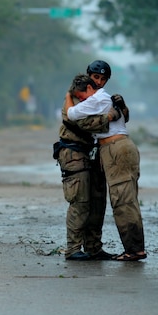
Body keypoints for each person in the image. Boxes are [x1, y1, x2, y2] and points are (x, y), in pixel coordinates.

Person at [65, 73, 146, 261]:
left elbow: (71, 114)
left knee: (123, 202)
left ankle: (134, 250)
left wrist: (69, 96)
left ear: (89, 89)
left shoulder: (97, 98)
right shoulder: (107, 99)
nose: (81, 100)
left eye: (81, 96)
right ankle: (133, 248)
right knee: (124, 199)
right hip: (116, 149)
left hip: (116, 149)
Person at [54, 67, 121, 261]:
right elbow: (81, 122)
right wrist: (109, 117)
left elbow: (122, 116)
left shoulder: (99, 98)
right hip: (74, 153)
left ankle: (93, 247)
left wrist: (120, 108)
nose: (99, 82)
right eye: (95, 77)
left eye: (103, 79)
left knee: (98, 202)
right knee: (80, 201)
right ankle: (73, 248)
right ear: (89, 78)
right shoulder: (75, 95)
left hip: (93, 153)